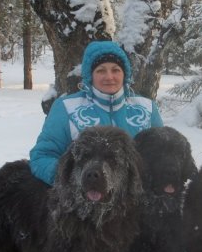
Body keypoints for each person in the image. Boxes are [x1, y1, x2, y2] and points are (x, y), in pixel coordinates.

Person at [30, 40, 164, 185]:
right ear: (90, 75)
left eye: (115, 70)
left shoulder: (147, 108)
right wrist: (71, 180)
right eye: (101, 70)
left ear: (125, 73)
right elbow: (42, 156)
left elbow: (163, 155)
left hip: (138, 202)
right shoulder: (66, 108)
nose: (109, 77)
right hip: (86, 199)